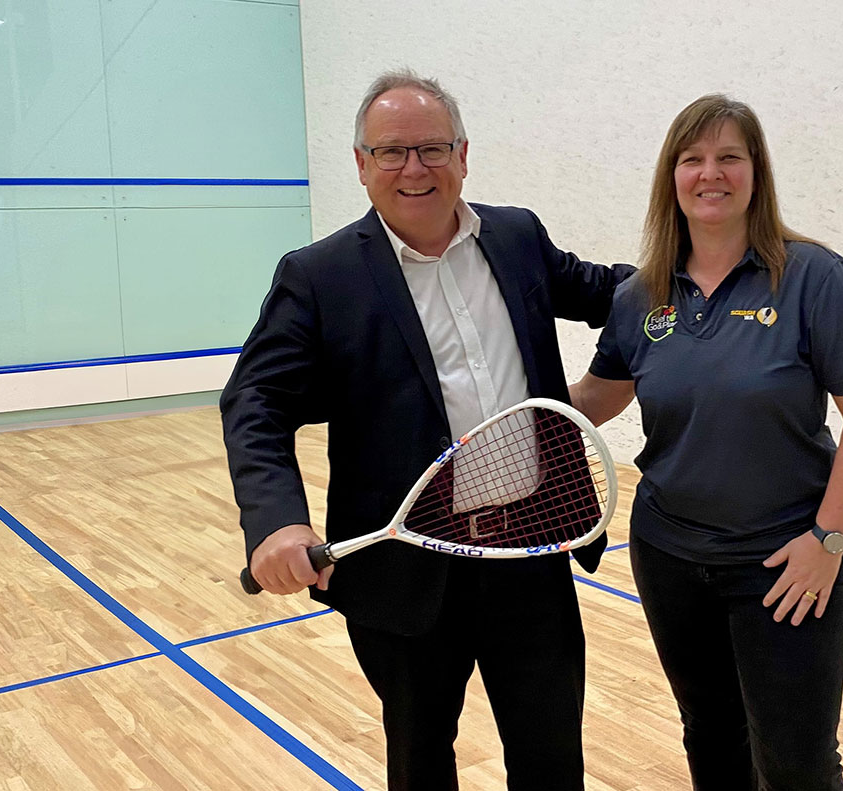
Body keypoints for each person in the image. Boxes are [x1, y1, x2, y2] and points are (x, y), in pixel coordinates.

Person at [220, 69, 634, 791]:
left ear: (464, 154)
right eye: (391, 152)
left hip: (530, 551)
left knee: (551, 757)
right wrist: (277, 522)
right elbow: (255, 401)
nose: (415, 168)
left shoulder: (517, 236)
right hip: (403, 570)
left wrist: (714, 275)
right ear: (361, 164)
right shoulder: (318, 276)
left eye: (433, 148)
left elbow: (613, 291)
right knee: (419, 762)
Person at [570, 94, 843, 790]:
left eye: (728, 157)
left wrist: (829, 541)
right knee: (712, 737)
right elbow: (598, 396)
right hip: (670, 557)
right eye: (693, 159)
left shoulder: (812, 276)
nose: (709, 173)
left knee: (797, 762)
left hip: (786, 562)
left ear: (756, 172)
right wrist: (505, 406)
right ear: (672, 177)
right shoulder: (642, 295)